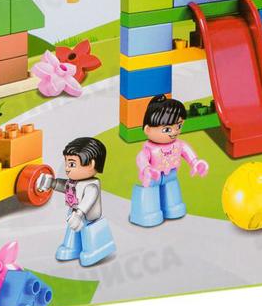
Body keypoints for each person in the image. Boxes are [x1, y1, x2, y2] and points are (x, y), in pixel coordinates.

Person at [130, 95, 209, 228]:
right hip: (153, 177)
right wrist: (146, 168)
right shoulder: (149, 149)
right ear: (148, 130)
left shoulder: (178, 144)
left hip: (171, 175)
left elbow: (186, 152)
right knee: (150, 197)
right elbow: (141, 158)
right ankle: (149, 214)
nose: (174, 132)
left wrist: (195, 162)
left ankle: (173, 207)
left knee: (173, 194)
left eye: (178, 126)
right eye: (167, 129)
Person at [50, 136, 116, 267]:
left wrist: (79, 213)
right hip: (75, 213)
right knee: (72, 230)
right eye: (67, 163)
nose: (67, 168)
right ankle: (71, 247)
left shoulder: (92, 186)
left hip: (87, 217)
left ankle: (91, 249)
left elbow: (88, 200)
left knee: (87, 232)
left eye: (72, 164)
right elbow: (65, 187)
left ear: (91, 164)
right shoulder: (74, 182)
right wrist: (52, 183)